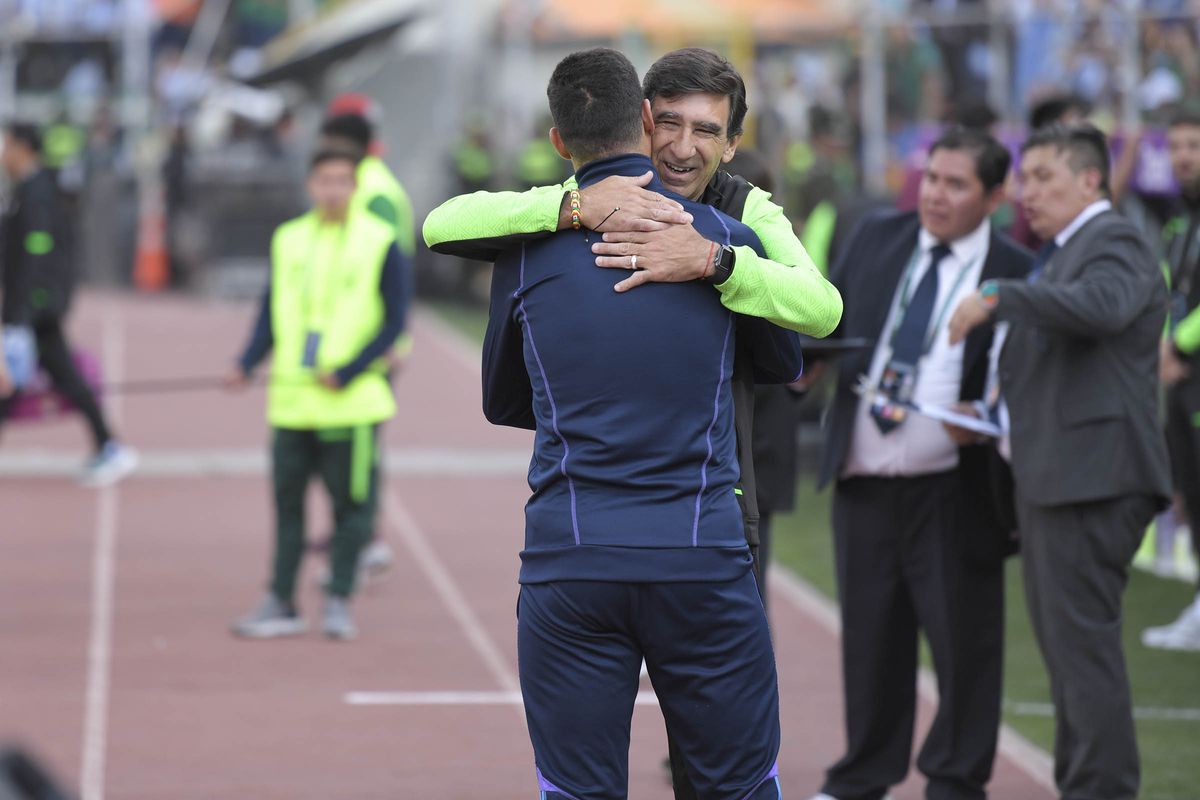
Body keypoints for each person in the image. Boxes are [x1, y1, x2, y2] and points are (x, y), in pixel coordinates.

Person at [424, 47, 842, 800]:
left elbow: (504, 401)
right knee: (739, 788)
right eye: (672, 125)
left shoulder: (528, 252)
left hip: (571, 560)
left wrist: (707, 261)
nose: (684, 147)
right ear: (645, 121)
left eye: (706, 132)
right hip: (701, 559)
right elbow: (784, 360)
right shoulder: (730, 233)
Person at [949, 122, 1171, 800]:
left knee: (1083, 658)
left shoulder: (1116, 237)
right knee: (1070, 659)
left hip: (1092, 480)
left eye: (1045, 177)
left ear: (1091, 180)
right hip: (1059, 479)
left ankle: (1101, 789)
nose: (1029, 192)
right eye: (1027, 176)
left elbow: (1102, 309)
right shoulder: (1067, 250)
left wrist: (999, 296)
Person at [809, 127, 1030, 800]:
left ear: (995, 196)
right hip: (864, 473)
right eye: (932, 177)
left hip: (957, 485)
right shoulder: (878, 235)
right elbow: (829, 320)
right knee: (871, 640)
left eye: (956, 184)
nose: (935, 194)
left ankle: (956, 780)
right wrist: (802, 364)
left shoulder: (1017, 272)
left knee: (965, 642)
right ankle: (863, 774)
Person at [226, 148, 409, 641]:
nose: (332, 190)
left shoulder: (381, 241)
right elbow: (270, 311)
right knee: (287, 510)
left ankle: (338, 597)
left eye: (341, 181)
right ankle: (281, 599)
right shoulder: (288, 239)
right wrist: (245, 364)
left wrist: (348, 371)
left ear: (354, 186)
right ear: (310, 185)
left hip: (351, 406)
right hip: (291, 403)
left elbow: (395, 323)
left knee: (353, 510)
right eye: (324, 180)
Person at [0, 121, 137, 486]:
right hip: (31, 308)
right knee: (45, 377)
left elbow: (38, 254)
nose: (2, 153)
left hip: (34, 309)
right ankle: (108, 444)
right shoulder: (25, 191)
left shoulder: (38, 192)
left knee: (18, 381)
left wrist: (24, 310)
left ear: (23, 148)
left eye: (6, 145)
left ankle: (109, 446)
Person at [318, 100, 417, 579]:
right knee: (348, 445)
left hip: (372, 342)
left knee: (360, 447)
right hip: (358, 338)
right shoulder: (366, 184)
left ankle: (364, 536)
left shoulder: (374, 192)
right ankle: (353, 531)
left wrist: (391, 343)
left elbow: (389, 271)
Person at [1141, 105, 1200, 651]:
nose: (1183, 156)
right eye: (1176, 146)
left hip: (1191, 366)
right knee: (1190, 486)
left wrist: (1180, 342)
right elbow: (1166, 286)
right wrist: (1163, 338)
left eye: (1193, 145)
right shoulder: (1178, 222)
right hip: (1180, 378)